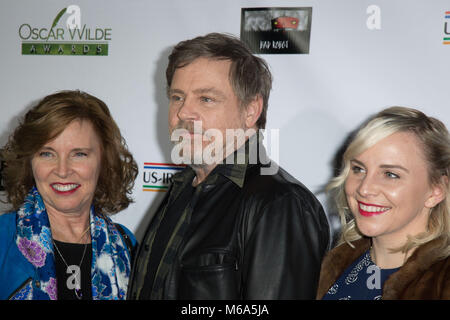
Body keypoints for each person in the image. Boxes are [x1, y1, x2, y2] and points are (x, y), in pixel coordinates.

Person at [128, 32, 330, 300]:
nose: (183, 112)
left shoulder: (279, 203)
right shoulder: (185, 186)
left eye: (206, 99)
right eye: (177, 97)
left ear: (251, 111)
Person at [0, 90, 138, 300]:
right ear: (30, 162)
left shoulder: (127, 246)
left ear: (103, 161)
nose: (62, 171)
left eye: (79, 154)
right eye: (47, 153)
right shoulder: (3, 239)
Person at [317, 106, 450, 300]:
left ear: (436, 190)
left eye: (390, 174)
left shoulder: (442, 282)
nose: (365, 188)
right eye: (359, 169)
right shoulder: (335, 264)